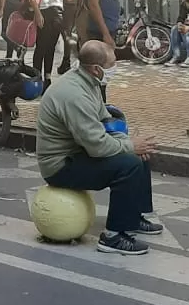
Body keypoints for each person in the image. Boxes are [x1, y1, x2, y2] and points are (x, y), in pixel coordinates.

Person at [37, 41, 160, 255]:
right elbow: (97, 146)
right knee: (129, 163)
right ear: (96, 68)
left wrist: (131, 143)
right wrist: (130, 146)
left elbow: (105, 120)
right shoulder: (74, 94)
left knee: (139, 154)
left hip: (79, 151)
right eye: (112, 64)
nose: (115, 68)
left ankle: (133, 218)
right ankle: (113, 236)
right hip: (60, 166)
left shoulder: (89, 82)